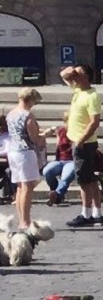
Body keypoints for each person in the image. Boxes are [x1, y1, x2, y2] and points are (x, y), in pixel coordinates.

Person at [59, 65, 103, 229]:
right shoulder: (78, 91)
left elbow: (94, 122)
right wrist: (70, 71)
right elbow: (64, 76)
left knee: (84, 182)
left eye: (78, 75)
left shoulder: (92, 96)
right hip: (80, 141)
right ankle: (97, 214)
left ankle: (86, 214)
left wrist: (80, 140)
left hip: (84, 143)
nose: (74, 78)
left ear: (86, 77)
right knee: (91, 180)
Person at [6, 88, 43, 230]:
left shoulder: (11, 114)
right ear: (30, 100)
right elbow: (34, 138)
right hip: (25, 152)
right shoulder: (27, 116)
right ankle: (26, 221)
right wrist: (45, 136)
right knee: (28, 186)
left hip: (13, 151)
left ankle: (22, 219)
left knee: (21, 187)